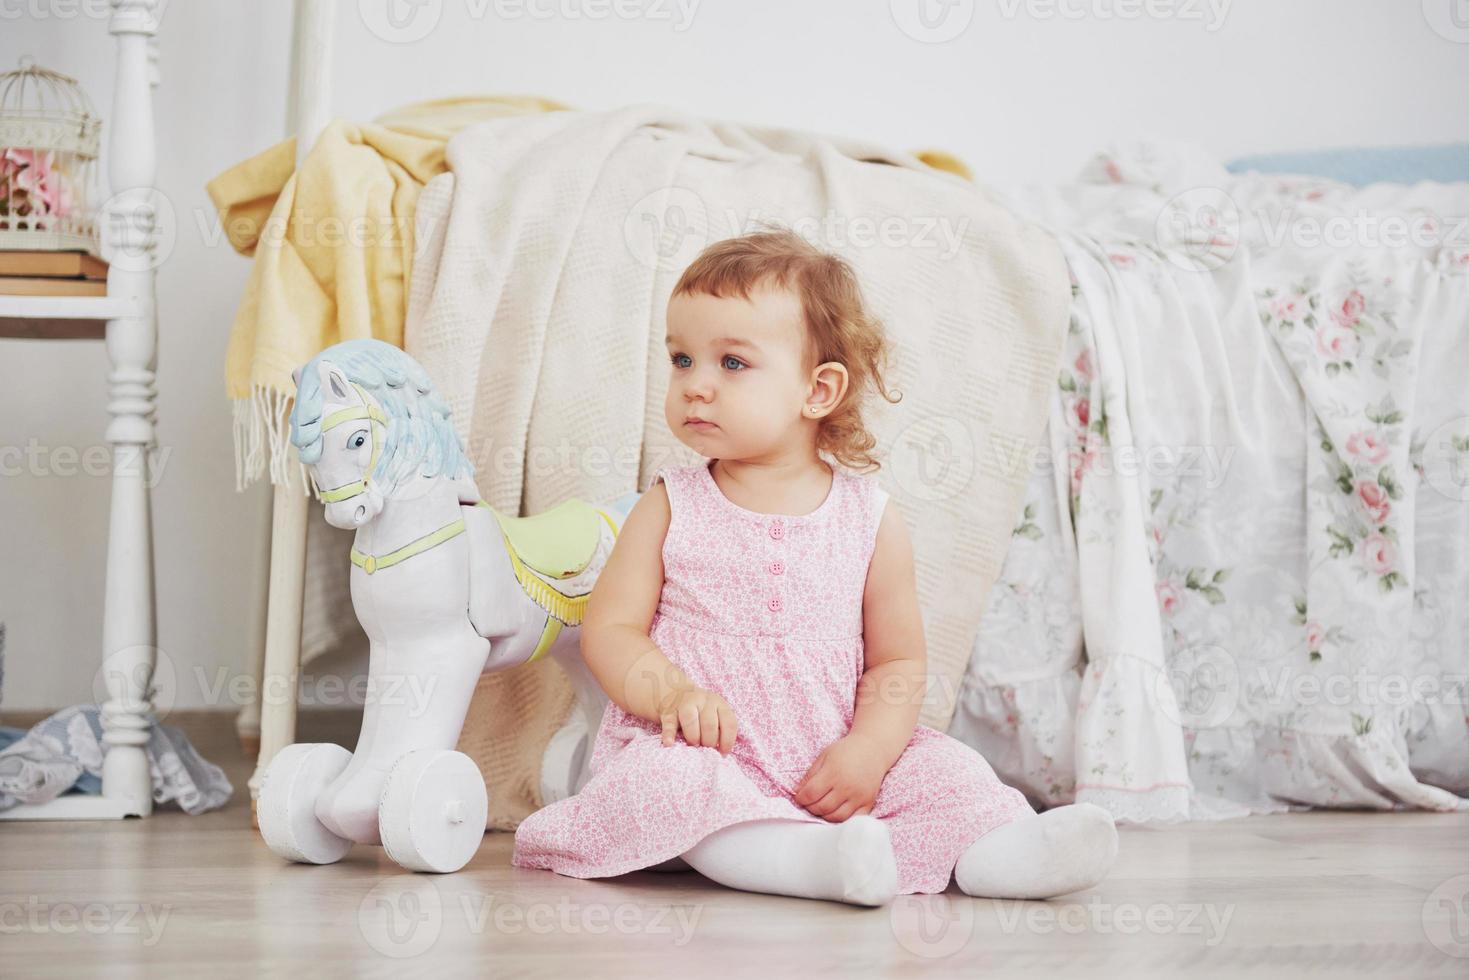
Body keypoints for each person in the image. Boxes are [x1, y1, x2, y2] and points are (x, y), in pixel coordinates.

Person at [512, 229, 1118, 905]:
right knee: (669, 786)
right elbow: (612, 631)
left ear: (818, 390)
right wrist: (672, 695)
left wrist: (866, 752)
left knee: (947, 771)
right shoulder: (669, 506)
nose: (695, 387)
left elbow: (897, 665)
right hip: (709, 753)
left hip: (830, 757)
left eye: (731, 363)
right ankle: (810, 864)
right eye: (681, 360)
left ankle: (1005, 855)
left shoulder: (869, 520)